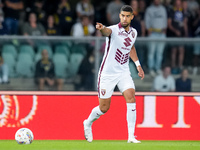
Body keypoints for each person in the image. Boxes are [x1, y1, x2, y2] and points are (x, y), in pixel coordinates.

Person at [83, 5, 144, 143]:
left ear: (132, 17)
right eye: (122, 15)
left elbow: (131, 47)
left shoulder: (134, 32)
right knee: (104, 108)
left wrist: (138, 65)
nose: (124, 18)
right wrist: (102, 28)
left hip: (123, 72)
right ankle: (87, 122)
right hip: (107, 73)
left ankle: (130, 136)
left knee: (131, 96)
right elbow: (106, 32)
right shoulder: (114, 30)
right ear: (120, 16)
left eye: (127, 16)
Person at [145, 0, 167, 76]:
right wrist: (148, 30)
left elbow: (165, 20)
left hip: (161, 34)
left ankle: (157, 68)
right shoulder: (149, 9)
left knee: (159, 53)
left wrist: (164, 29)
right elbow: (146, 21)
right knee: (151, 53)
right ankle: (151, 68)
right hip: (153, 33)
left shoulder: (163, 9)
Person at [167, 0, 188, 74]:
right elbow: (169, 24)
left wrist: (186, 33)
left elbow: (185, 23)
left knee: (181, 51)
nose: (178, 5)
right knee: (174, 51)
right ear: (175, 4)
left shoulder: (183, 12)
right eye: (177, 4)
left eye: (179, 4)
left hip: (181, 35)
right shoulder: (171, 11)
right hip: (173, 35)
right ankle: (173, 67)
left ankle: (180, 66)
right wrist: (175, 31)